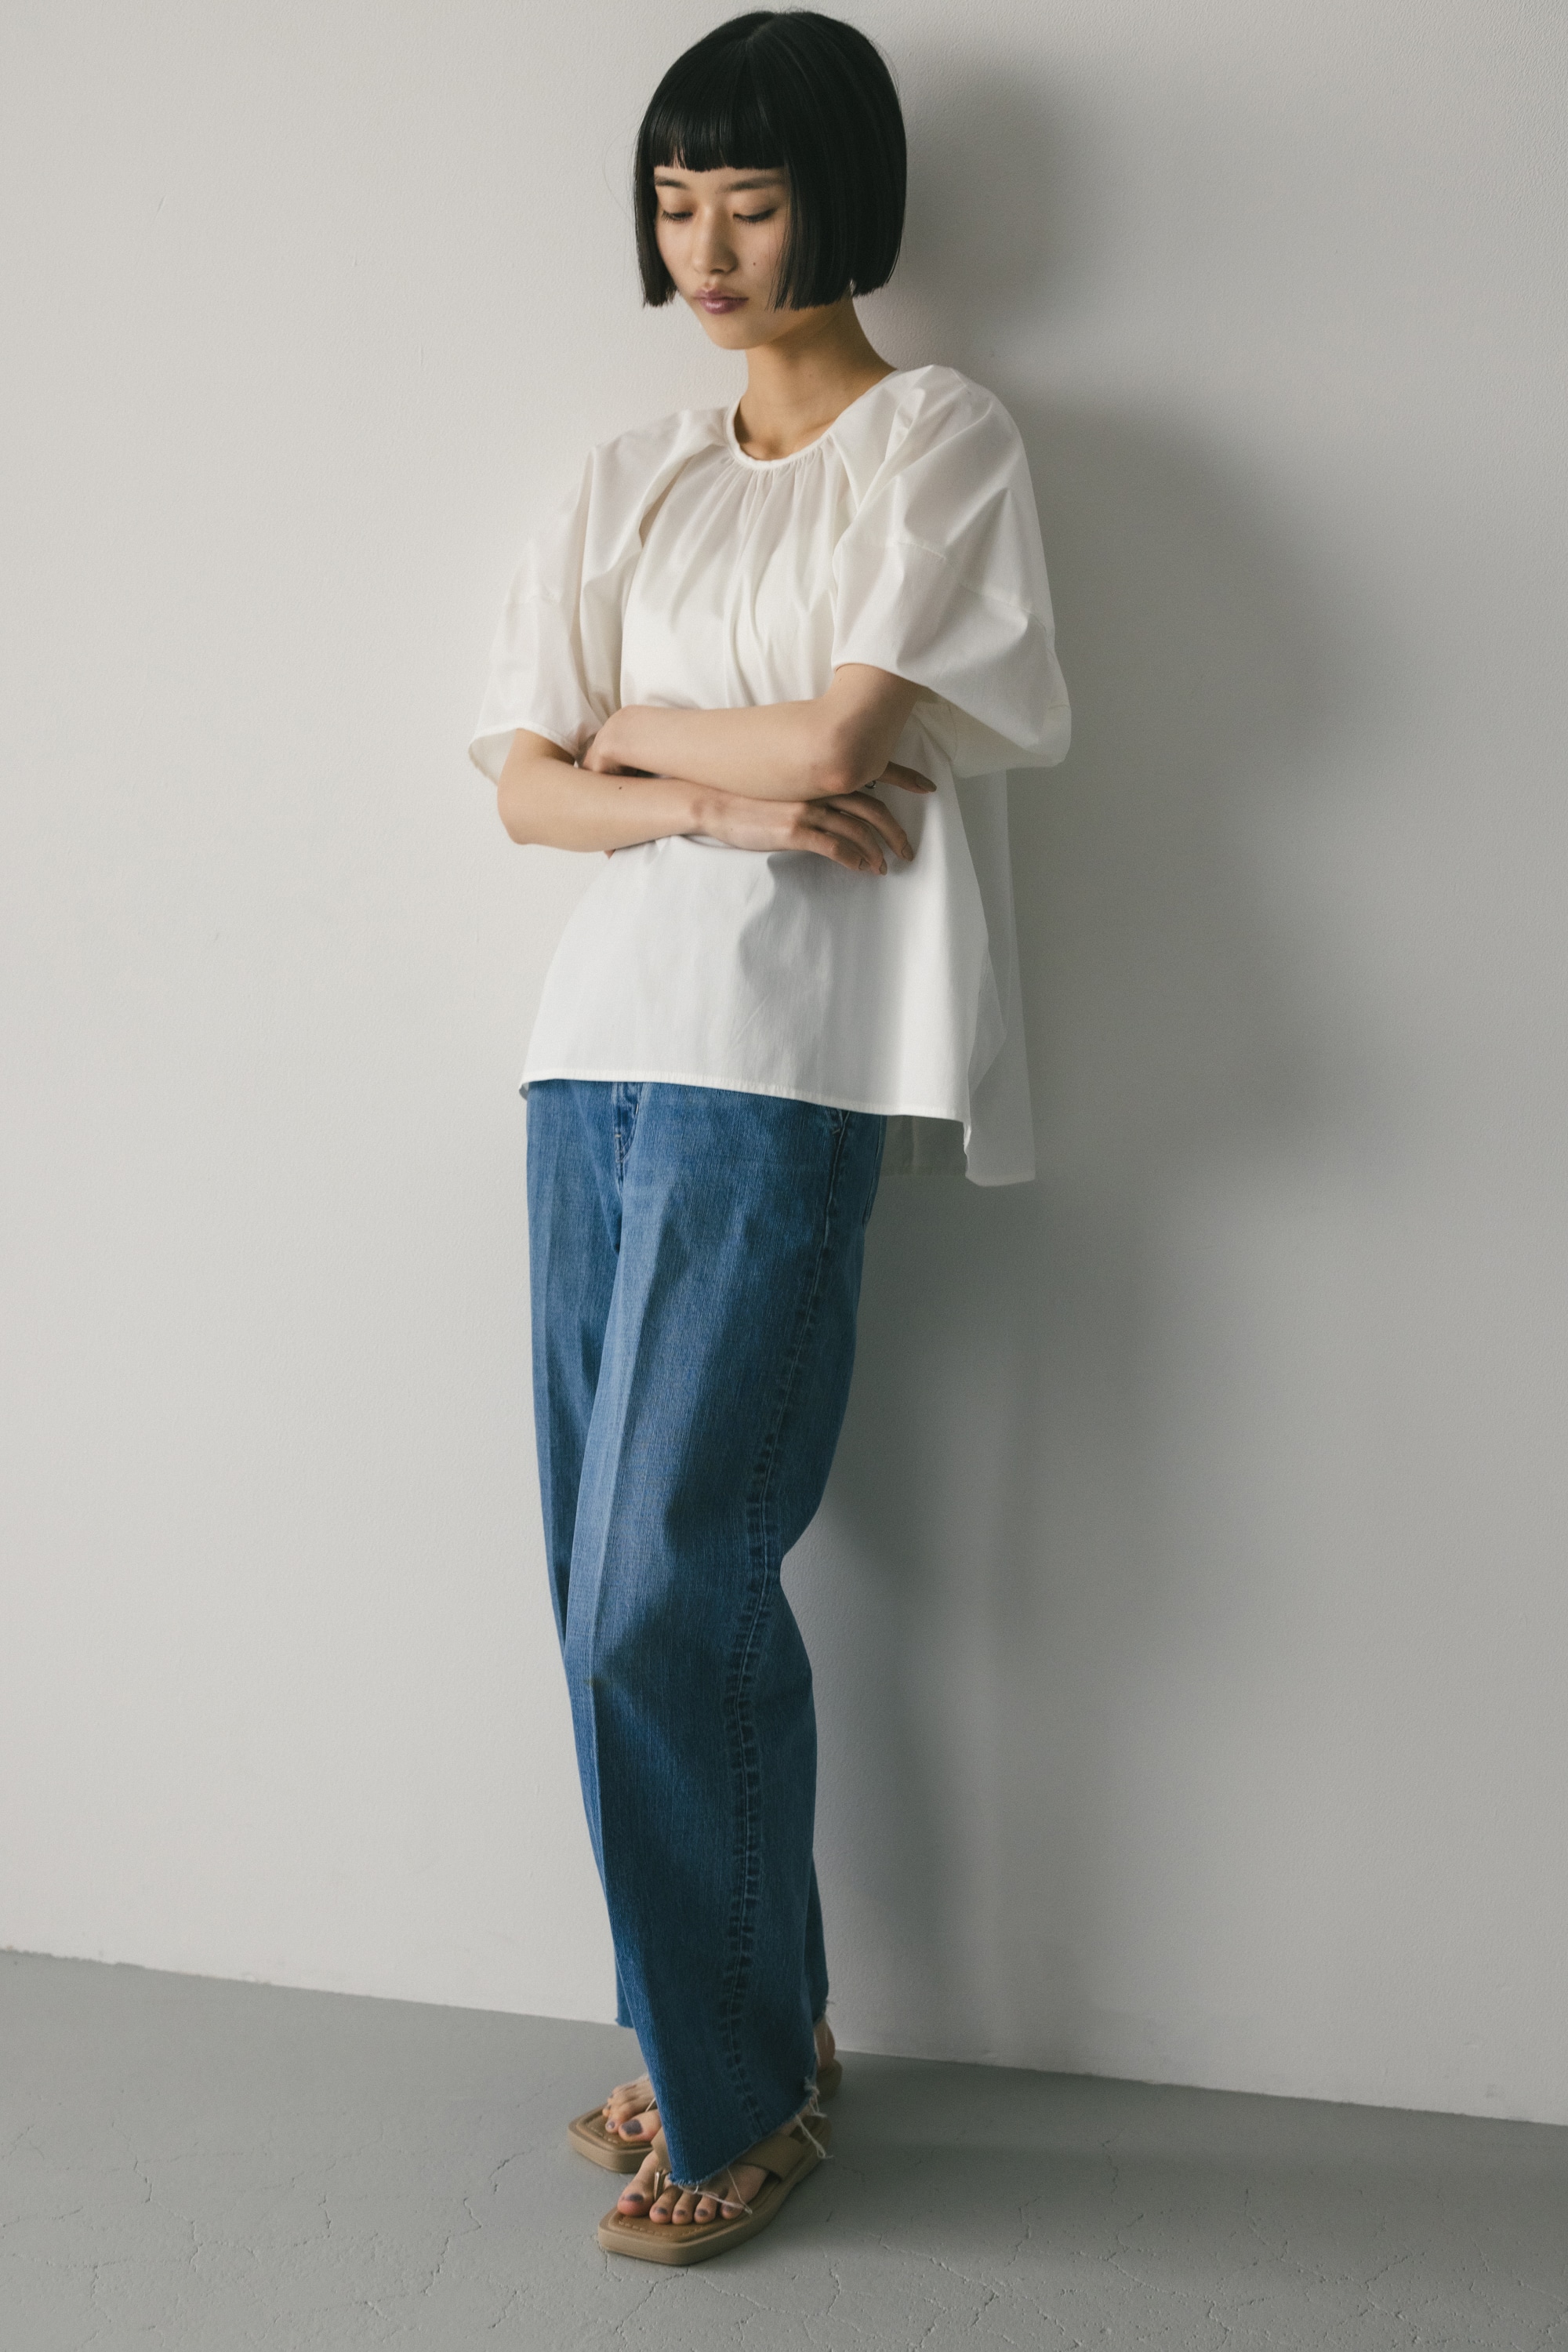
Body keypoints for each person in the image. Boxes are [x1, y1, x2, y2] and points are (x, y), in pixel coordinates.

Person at [469, 8, 1069, 2267]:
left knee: (668, 1582)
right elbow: (524, 786)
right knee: (597, 1583)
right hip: (594, 1051)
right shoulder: (626, 471)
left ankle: (737, 2092)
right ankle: (729, 2027)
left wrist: (633, 735)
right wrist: (695, 790)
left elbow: (847, 737)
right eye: (673, 201)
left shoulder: (943, 440)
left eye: (749, 198)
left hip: (784, 1058)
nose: (706, 247)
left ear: (841, 200)